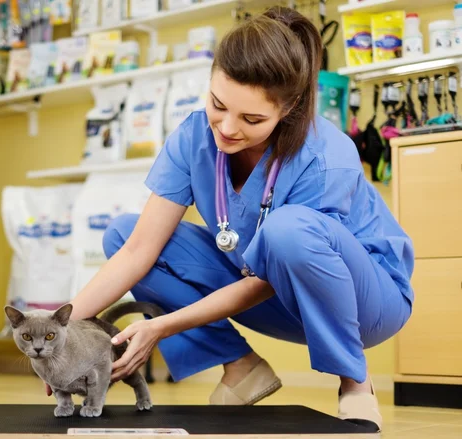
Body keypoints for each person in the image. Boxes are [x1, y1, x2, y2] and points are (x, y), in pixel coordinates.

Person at [63, 6, 414, 432]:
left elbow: (274, 271)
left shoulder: (325, 155)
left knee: (288, 232)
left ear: (291, 107)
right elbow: (138, 251)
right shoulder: (195, 137)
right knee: (124, 235)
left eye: (252, 119)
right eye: (218, 104)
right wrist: (56, 331)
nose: (226, 128)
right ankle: (241, 367)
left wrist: (162, 327)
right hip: (273, 296)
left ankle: (355, 383)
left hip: (366, 303)